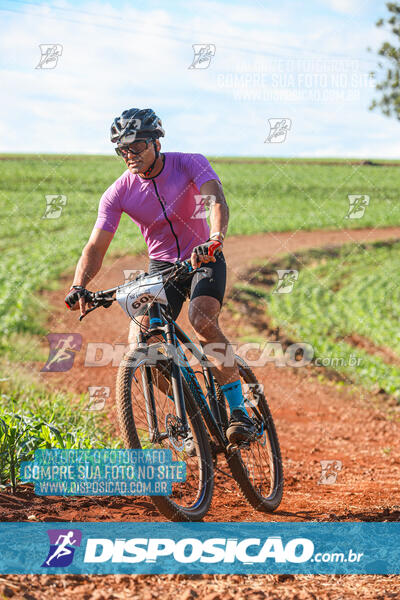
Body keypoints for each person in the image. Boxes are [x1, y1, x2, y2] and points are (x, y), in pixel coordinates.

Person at [65, 108, 255, 443]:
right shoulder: (118, 192)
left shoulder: (189, 162)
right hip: (162, 269)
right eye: (121, 150)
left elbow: (215, 200)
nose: (129, 155)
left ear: (155, 141)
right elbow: (95, 247)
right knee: (142, 344)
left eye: (135, 147)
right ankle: (195, 412)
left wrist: (215, 239)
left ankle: (239, 411)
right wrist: (79, 284)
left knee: (202, 320)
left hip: (203, 257)